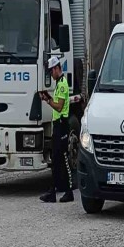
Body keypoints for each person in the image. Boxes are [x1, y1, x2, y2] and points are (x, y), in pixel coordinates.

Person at [39, 56, 73, 203]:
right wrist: (48, 97)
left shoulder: (62, 84)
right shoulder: (59, 83)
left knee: (63, 158)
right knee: (56, 159)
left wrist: (47, 100)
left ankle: (69, 191)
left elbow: (59, 106)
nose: (50, 75)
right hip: (58, 125)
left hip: (61, 124)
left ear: (56, 69)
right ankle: (53, 191)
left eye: (51, 71)